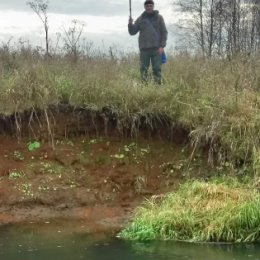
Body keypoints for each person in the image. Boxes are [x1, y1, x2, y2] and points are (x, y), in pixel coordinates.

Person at [128, 0, 168, 85]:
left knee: (157, 69)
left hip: (157, 49)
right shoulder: (140, 18)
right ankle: (144, 87)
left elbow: (164, 32)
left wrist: (162, 46)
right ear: (145, 7)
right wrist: (130, 24)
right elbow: (132, 32)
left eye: (150, 5)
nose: (149, 7)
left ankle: (157, 87)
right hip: (144, 49)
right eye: (147, 6)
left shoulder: (159, 17)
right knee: (143, 69)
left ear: (153, 6)